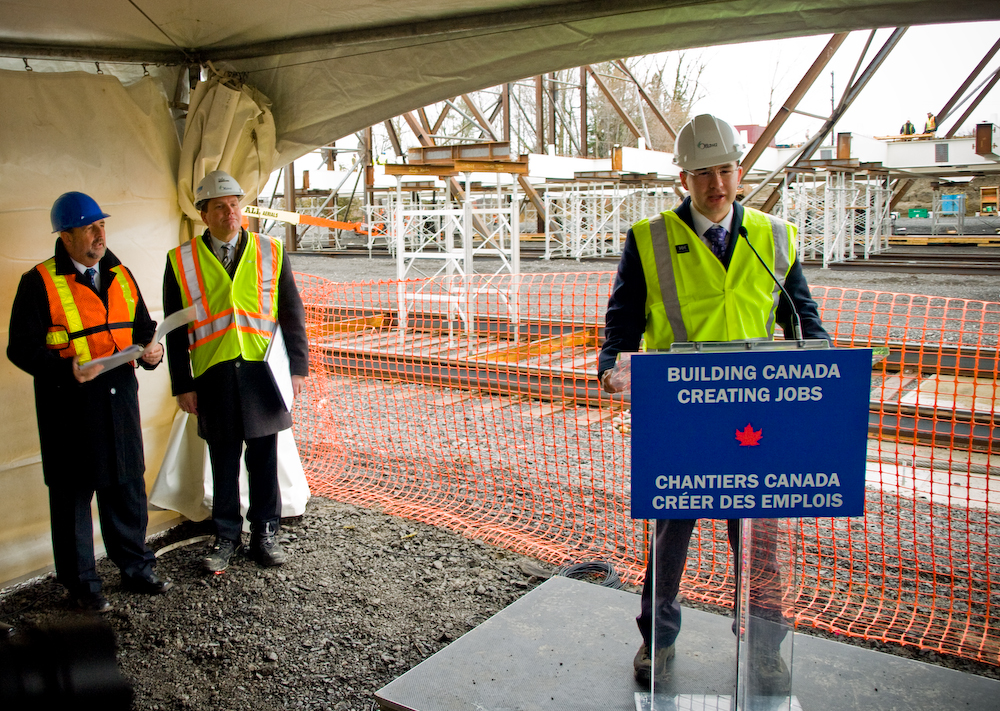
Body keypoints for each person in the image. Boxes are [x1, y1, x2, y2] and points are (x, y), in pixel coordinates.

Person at [597, 114, 830, 690]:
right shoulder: (649, 239)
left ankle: (764, 648)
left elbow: (802, 317)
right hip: (679, 417)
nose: (716, 184)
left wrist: (823, 363)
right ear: (685, 177)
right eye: (703, 173)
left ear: (740, 171)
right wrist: (611, 366)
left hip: (755, 417)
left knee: (758, 540)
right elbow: (622, 321)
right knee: (669, 533)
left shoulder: (773, 235)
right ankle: (659, 642)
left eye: (724, 170)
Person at [7, 192, 172, 612]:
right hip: (69, 409)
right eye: (89, 228)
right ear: (65, 236)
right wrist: (66, 371)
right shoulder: (38, 282)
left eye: (102, 226)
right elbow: (20, 349)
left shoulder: (121, 273)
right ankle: (83, 586)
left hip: (118, 405)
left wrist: (152, 352)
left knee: (127, 490)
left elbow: (143, 328)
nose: (100, 235)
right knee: (73, 498)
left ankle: (136, 568)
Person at [163, 170, 309, 573]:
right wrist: (182, 384)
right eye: (220, 207)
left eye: (235, 205)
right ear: (203, 214)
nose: (230, 213)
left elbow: (292, 313)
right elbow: (174, 332)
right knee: (223, 461)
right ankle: (225, 538)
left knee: (264, 457)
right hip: (214, 374)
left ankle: (265, 533)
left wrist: (298, 368)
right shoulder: (181, 261)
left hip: (263, 373)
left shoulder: (271, 250)